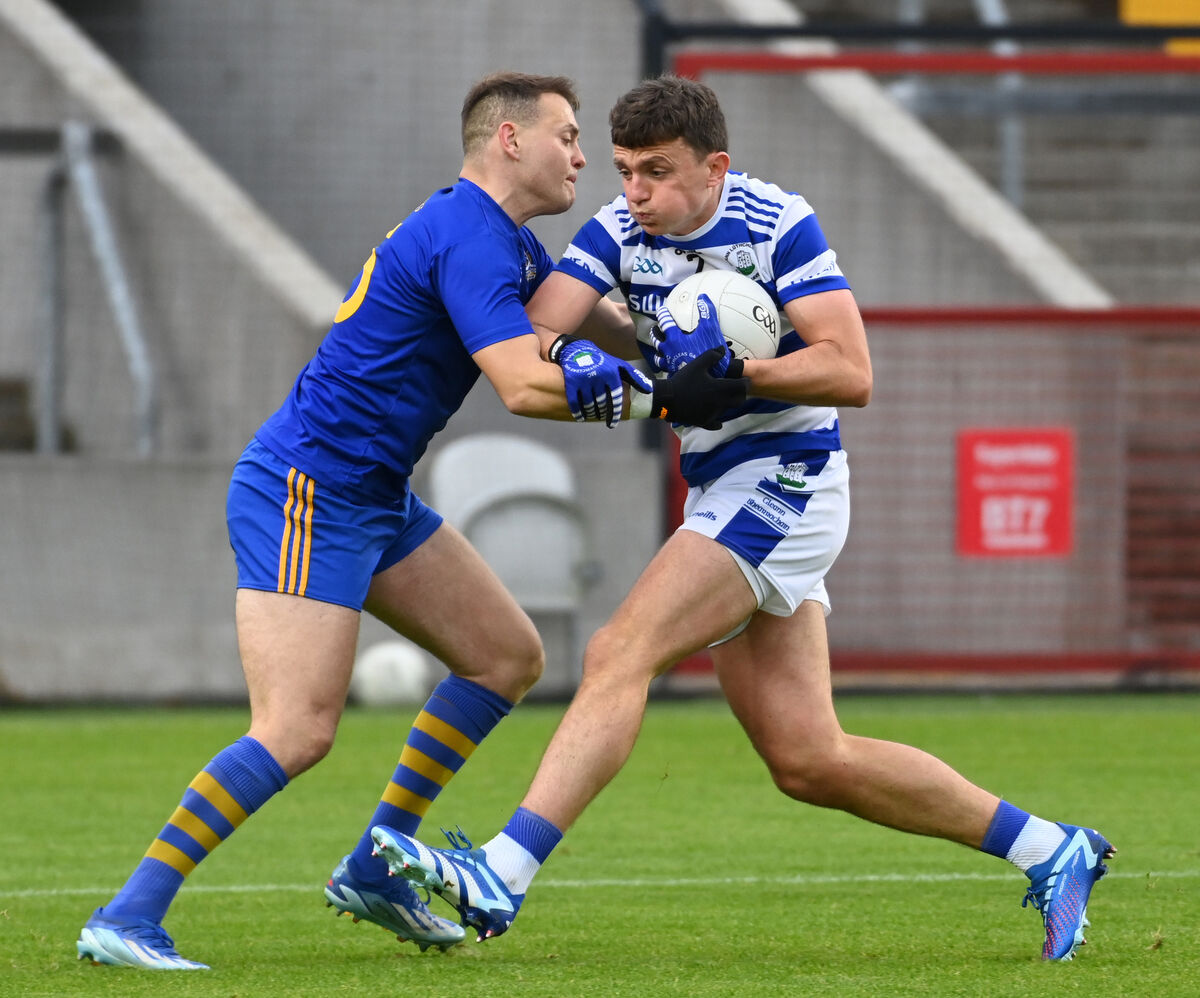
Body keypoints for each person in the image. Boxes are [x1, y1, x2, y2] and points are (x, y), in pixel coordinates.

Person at [369, 75, 1116, 963]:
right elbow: (540, 335)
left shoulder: (776, 223)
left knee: (618, 651)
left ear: (714, 168)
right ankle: (1050, 847)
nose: (635, 191)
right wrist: (633, 368)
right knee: (809, 759)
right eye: (622, 170)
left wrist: (738, 374)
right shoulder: (618, 229)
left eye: (657, 172)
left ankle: (503, 869)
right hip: (718, 481)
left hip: (787, 478)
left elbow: (851, 371)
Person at [75, 71, 746, 971]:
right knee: (297, 728)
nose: (585, 158)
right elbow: (520, 382)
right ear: (509, 141)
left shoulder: (498, 241)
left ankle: (373, 864)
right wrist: (655, 399)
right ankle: (127, 915)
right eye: (569, 137)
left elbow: (602, 325)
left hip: (372, 491)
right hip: (306, 489)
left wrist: (697, 332)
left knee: (506, 656)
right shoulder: (470, 237)